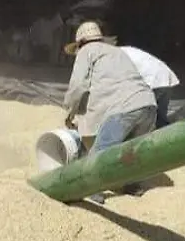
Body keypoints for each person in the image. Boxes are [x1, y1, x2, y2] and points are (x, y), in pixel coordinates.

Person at [63, 21, 157, 205]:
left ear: (81, 43)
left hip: (123, 108)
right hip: (148, 104)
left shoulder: (86, 51)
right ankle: (132, 184)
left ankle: (92, 189)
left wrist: (69, 113)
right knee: (131, 150)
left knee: (101, 151)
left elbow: (77, 87)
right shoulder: (117, 52)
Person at [117, 44, 179, 129]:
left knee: (141, 117)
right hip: (165, 77)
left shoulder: (116, 55)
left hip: (152, 81)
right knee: (160, 119)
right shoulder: (125, 50)